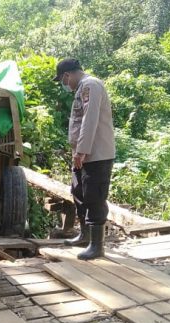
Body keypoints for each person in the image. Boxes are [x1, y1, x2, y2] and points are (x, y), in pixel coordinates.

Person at [52, 59, 116, 260]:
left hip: (95, 154)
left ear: (67, 75)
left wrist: (82, 151)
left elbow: (90, 120)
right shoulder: (82, 88)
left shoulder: (91, 85)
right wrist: (77, 152)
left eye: (63, 81)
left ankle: (97, 246)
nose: (64, 85)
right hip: (82, 154)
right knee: (79, 191)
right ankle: (84, 235)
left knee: (94, 196)